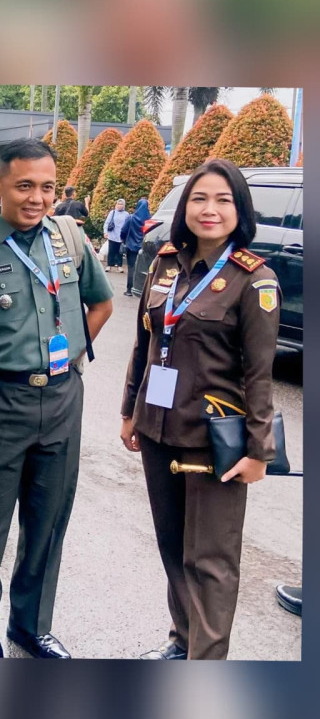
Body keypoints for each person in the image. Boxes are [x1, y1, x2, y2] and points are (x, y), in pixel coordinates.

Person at [0, 138, 113, 659]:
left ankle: (31, 625)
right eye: (24, 186)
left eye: (47, 187)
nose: (37, 198)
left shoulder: (69, 239)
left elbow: (102, 304)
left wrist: (68, 357)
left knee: (48, 518)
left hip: (63, 399)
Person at [120, 158, 281, 661]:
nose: (209, 210)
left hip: (216, 441)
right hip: (158, 426)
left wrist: (259, 451)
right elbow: (145, 343)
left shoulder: (253, 280)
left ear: (240, 211)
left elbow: (259, 374)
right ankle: (182, 640)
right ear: (184, 206)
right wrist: (130, 410)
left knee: (210, 561)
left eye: (223, 200)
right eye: (199, 199)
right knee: (173, 548)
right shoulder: (165, 264)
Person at [119, 198, 150, 295]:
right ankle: (142, 290)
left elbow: (123, 231)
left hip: (131, 246)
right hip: (145, 247)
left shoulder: (131, 218)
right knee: (145, 269)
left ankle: (129, 289)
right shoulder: (150, 219)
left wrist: (123, 240)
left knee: (131, 267)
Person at [103, 198, 130, 274]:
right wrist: (105, 232)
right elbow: (107, 222)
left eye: (121, 204)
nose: (120, 206)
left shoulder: (126, 214)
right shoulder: (112, 212)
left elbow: (128, 226)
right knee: (111, 250)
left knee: (120, 251)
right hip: (112, 234)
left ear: (124, 205)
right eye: (118, 204)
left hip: (121, 236)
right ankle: (109, 265)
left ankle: (119, 266)